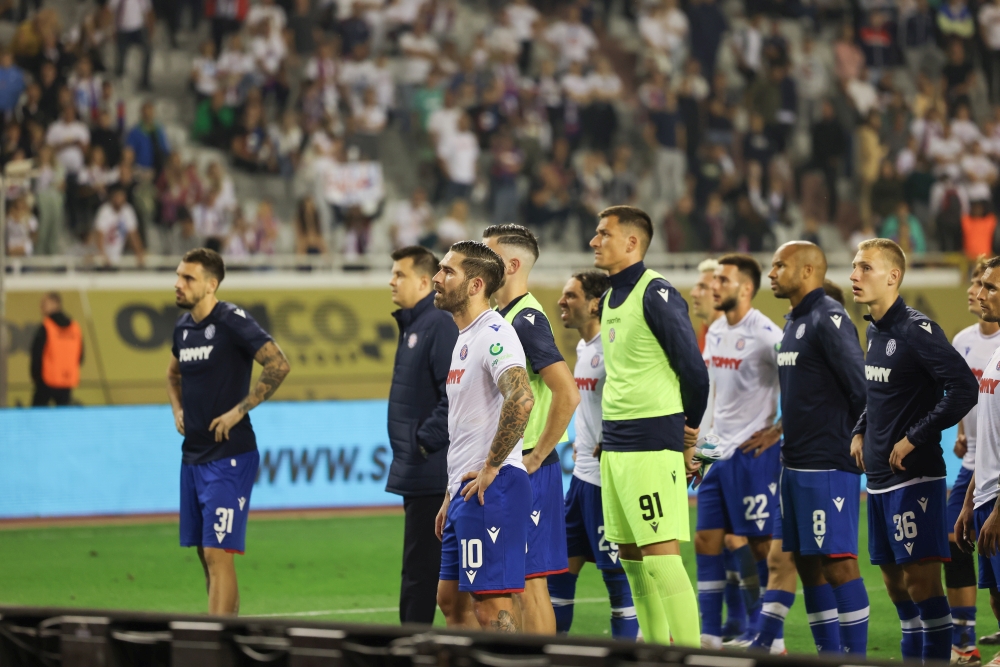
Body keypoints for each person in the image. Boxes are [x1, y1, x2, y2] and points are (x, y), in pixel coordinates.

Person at [849, 238, 978, 662]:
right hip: (881, 478)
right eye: (853, 267)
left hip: (915, 476)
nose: (854, 275)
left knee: (922, 586)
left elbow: (963, 388)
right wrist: (860, 430)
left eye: (865, 268)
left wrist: (915, 437)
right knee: (896, 587)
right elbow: (876, 391)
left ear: (893, 276)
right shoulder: (874, 327)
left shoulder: (917, 329)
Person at [590, 205, 710, 646]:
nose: (594, 241)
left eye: (603, 234)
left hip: (651, 444)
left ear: (632, 243)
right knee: (632, 560)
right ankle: (657, 651)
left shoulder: (655, 292)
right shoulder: (607, 299)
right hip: (617, 446)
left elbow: (694, 372)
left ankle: (693, 654)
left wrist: (688, 434)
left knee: (660, 558)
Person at [166, 248, 291, 615]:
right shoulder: (183, 328)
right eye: (177, 276)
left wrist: (239, 411)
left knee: (216, 551)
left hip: (230, 455)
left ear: (211, 284)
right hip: (193, 457)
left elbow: (278, 365)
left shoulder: (232, 320)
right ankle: (225, 635)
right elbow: (172, 375)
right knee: (206, 558)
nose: (178, 284)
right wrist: (177, 408)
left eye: (187, 278)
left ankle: (214, 640)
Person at [765, 241, 870, 655]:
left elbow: (861, 387)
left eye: (779, 265)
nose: (771, 273)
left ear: (808, 270)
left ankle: (855, 659)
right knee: (808, 564)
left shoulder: (829, 317)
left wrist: (860, 438)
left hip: (828, 463)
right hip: (794, 463)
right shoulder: (795, 320)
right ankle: (830, 655)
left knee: (838, 562)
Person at [482, 224, 581, 635]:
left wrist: (537, 455)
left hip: (530, 472)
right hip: (510, 469)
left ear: (512, 264)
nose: (479, 264)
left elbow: (567, 393)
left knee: (530, 584)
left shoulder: (526, 320)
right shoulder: (502, 317)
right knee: (513, 582)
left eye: (487, 257)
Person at [433, 241, 534, 632]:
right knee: (451, 602)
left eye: (448, 272)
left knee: (491, 607)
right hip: (463, 491)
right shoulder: (464, 337)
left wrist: (492, 465)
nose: (438, 279)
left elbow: (522, 397)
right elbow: (467, 422)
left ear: (475, 285)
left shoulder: (496, 333)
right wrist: (447, 494)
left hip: (492, 488)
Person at [695, 254, 783, 651]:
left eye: (723, 281)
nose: (715, 286)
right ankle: (710, 635)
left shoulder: (767, 335)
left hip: (753, 455)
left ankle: (770, 638)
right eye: (714, 280)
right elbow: (714, 394)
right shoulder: (715, 331)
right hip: (717, 453)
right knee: (706, 540)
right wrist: (701, 447)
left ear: (745, 288)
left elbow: (801, 384)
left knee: (760, 545)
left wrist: (779, 429)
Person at [547, 271, 640, 640]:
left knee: (617, 581)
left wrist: (619, 439)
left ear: (594, 303)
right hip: (581, 482)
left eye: (571, 295)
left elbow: (640, 397)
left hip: (608, 484)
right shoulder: (585, 349)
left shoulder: (614, 347)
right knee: (559, 572)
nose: (562, 302)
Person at [387, 246, 459, 625]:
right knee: (422, 570)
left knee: (421, 573)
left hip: (432, 471)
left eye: (398, 274)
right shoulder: (416, 326)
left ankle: (412, 648)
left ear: (422, 281)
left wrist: (423, 441)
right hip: (420, 470)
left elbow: (454, 395)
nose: (391, 281)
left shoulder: (437, 325)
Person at [946, 257, 1000, 665]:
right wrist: (970, 497)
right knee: (992, 586)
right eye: (978, 284)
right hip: (979, 480)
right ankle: (966, 643)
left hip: (997, 492)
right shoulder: (977, 345)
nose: (978, 293)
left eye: (990, 287)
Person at [30, 292, 83, 407]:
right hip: (67, 380)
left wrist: (35, 374)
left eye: (45, 303)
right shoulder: (75, 328)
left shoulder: (47, 327)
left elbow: (37, 353)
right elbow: (81, 355)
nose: (41, 306)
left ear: (55, 304)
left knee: (37, 416)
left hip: (47, 379)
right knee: (63, 418)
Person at [91, 186, 146, 267]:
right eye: (117, 197)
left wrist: (139, 253)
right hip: (102, 251)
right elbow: (99, 235)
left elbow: (133, 235)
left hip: (117, 253)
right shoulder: (105, 211)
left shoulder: (128, 210)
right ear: (112, 198)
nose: (120, 199)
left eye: (122, 197)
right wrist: (103, 255)